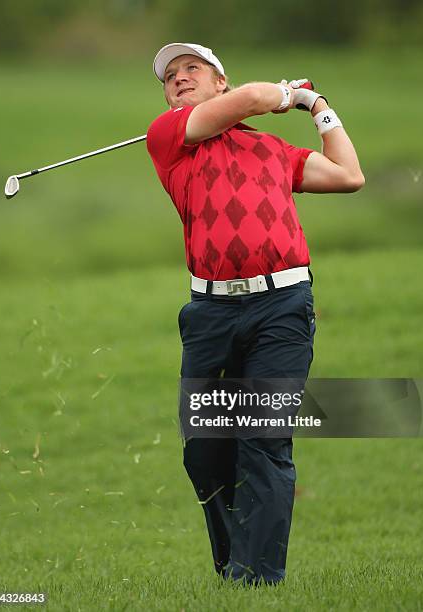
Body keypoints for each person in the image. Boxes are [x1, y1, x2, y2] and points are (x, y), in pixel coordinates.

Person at [146, 43, 364, 585]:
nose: (178, 80)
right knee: (206, 453)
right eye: (169, 77)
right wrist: (289, 93)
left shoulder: (274, 151)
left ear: (219, 81)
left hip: (282, 306)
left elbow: (348, 175)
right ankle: (232, 570)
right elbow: (253, 97)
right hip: (210, 314)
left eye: (191, 69)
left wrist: (318, 107)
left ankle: (256, 581)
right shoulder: (169, 138)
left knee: (263, 436)